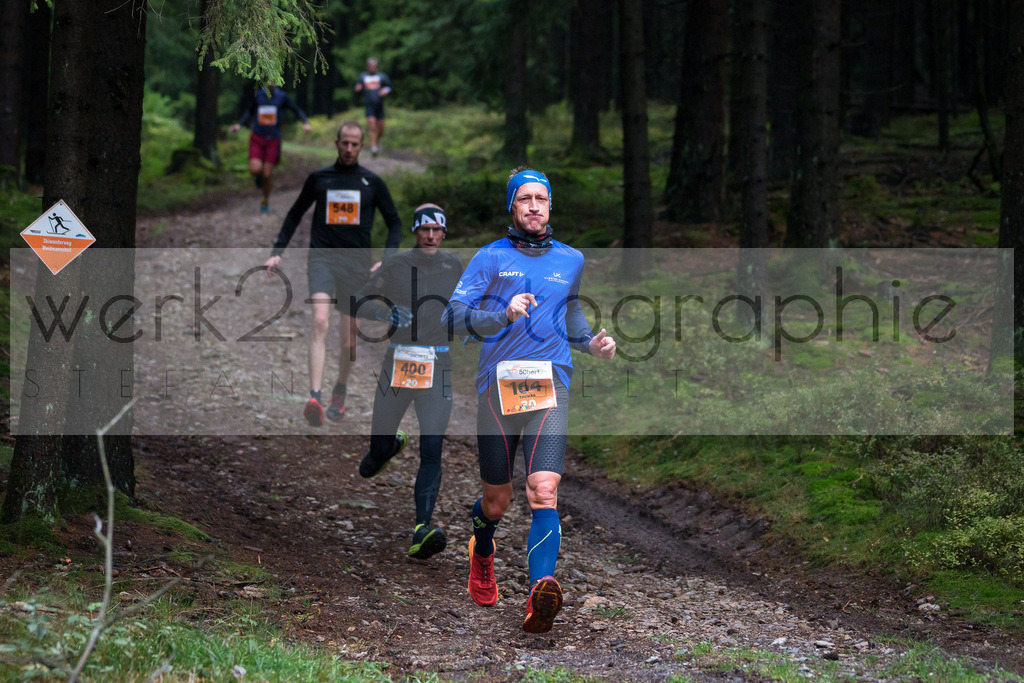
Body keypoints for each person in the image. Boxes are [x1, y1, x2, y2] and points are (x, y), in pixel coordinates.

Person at [443, 168, 616, 634]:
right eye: (525, 199)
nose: (534, 206)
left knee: (543, 489)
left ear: (550, 205)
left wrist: (590, 344)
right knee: (496, 503)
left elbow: (570, 309)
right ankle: (482, 552)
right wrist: (502, 314)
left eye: (541, 198)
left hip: (550, 381)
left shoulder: (571, 259)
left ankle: (540, 594)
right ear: (512, 206)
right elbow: (453, 316)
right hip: (497, 386)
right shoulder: (490, 257)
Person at [264, 121, 403, 426]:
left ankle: (339, 389)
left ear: (362, 146)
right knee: (319, 320)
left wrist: (388, 259)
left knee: (349, 340)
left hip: (356, 265)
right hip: (322, 259)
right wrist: (277, 251)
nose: (349, 149)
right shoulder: (319, 179)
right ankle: (314, 396)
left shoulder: (372, 183)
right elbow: (295, 213)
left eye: (355, 144)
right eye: (345, 143)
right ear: (336, 143)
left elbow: (395, 223)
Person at [352, 203, 464, 559]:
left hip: (438, 364)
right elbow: (358, 301)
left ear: (443, 233)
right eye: (424, 230)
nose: (430, 236)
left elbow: (467, 306)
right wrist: (384, 311)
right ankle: (386, 448)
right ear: (416, 232)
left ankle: (422, 528)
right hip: (399, 361)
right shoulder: (396, 263)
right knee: (379, 445)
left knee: (432, 448)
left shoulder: (454, 266)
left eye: (436, 230)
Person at [230, 83, 313, 212]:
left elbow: (296, 109)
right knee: (255, 168)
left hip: (273, 139)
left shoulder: (282, 97)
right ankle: (258, 177)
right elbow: (250, 111)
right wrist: (239, 124)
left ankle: (265, 199)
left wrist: (305, 122)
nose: (271, 82)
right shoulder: (258, 95)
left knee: (267, 173)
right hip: (257, 137)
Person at [353, 58, 392, 157]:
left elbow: (389, 87)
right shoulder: (363, 76)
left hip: (379, 105)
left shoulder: (382, 76)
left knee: (381, 130)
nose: (372, 67)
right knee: (372, 125)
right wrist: (358, 88)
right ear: (367, 66)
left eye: (374, 66)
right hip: (369, 105)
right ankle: (373, 147)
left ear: (377, 66)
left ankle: (377, 142)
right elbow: (357, 86)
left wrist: (385, 91)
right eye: (371, 66)